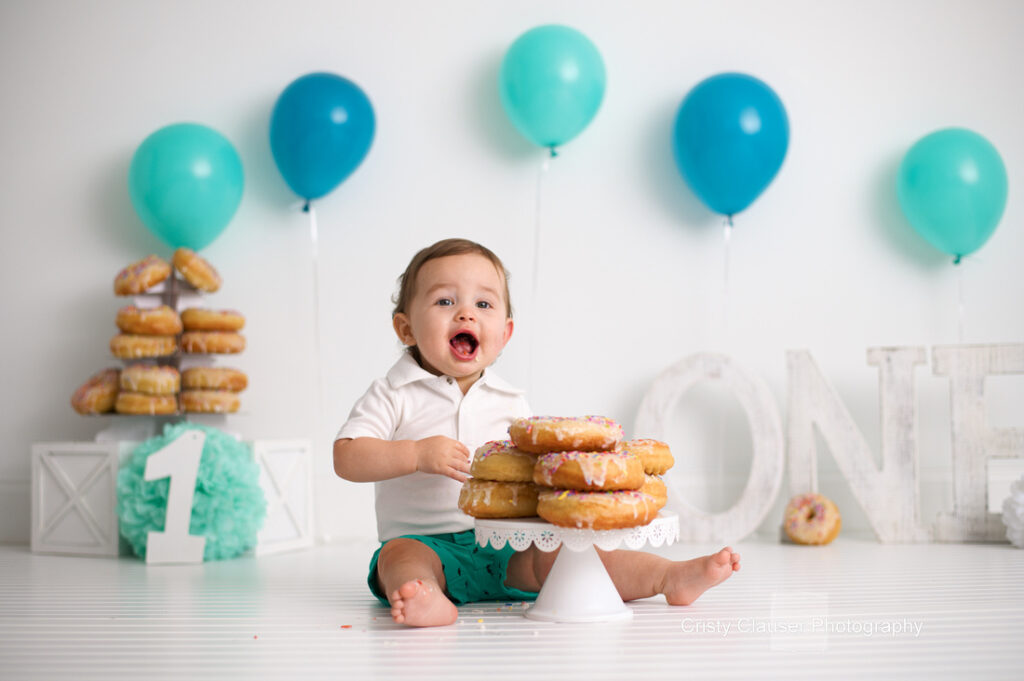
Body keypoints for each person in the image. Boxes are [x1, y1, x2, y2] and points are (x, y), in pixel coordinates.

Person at [333, 238, 740, 627]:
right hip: (424, 542)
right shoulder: (393, 392)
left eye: (483, 303)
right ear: (405, 330)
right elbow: (347, 456)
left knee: (578, 557)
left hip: (506, 546)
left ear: (505, 333)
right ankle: (425, 596)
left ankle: (668, 577)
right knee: (400, 559)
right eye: (445, 301)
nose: (466, 314)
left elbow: (539, 474)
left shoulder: (512, 403)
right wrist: (415, 455)